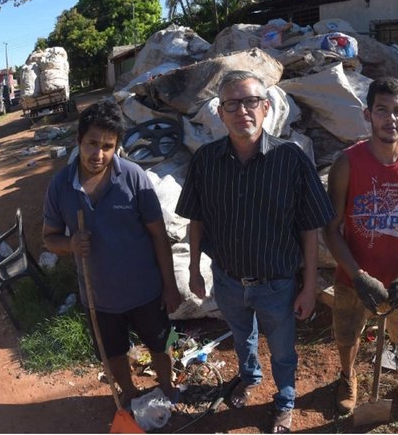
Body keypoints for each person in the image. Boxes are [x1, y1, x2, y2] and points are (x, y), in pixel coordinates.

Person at [175, 70, 335, 433]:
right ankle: (249, 378)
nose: (241, 111)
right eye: (231, 103)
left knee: (282, 350)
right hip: (228, 280)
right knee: (241, 337)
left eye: (250, 102)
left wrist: (309, 287)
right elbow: (195, 220)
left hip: (277, 284)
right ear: (220, 112)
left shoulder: (290, 160)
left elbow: (310, 229)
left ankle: (286, 399)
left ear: (265, 107)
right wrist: (196, 269)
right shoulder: (206, 161)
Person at [42, 100, 182, 407]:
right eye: (92, 144)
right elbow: (49, 239)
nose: (98, 154)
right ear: (78, 140)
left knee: (164, 342)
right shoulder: (60, 187)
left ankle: (168, 385)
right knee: (113, 352)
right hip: (99, 297)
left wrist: (170, 286)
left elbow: (159, 235)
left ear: (117, 146)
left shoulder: (133, 177)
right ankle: (129, 394)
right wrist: (70, 245)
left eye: (108, 146)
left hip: (147, 291)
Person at [322, 77, 398, 414]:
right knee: (346, 334)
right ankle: (347, 377)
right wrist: (357, 275)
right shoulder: (347, 164)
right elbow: (331, 230)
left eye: (397, 111)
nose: (390, 119)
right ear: (367, 115)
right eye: (381, 110)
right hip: (352, 276)